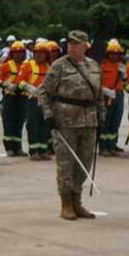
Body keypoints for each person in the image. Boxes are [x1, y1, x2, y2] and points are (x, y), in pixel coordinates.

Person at [40, 30, 103, 221]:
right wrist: (48, 114)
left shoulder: (93, 65)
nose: (72, 46)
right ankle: (66, 204)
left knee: (84, 162)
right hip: (65, 120)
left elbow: (98, 93)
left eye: (77, 43)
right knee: (66, 164)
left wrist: (102, 114)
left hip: (89, 120)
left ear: (86, 46)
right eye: (70, 43)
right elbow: (43, 91)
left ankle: (77, 201)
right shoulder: (59, 65)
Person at [17, 41, 52, 161]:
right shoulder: (27, 65)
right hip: (31, 99)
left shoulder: (49, 67)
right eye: (37, 53)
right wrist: (29, 88)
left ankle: (43, 149)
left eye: (42, 54)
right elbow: (19, 82)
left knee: (45, 125)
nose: (39, 56)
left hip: (45, 100)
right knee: (33, 124)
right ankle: (34, 150)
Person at [0, 41, 28, 157]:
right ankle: (9, 148)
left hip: (22, 97)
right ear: (12, 54)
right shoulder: (5, 65)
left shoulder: (26, 65)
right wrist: (7, 85)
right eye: (16, 53)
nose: (18, 55)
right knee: (8, 123)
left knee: (19, 122)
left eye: (21, 53)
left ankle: (18, 147)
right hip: (10, 97)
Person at [98, 40, 126, 157]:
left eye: (117, 53)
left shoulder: (121, 66)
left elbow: (125, 81)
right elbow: (96, 81)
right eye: (112, 53)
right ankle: (104, 146)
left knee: (116, 120)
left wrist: (124, 74)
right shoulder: (102, 65)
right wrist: (104, 90)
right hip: (105, 95)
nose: (114, 55)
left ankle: (112, 145)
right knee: (105, 121)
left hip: (118, 94)